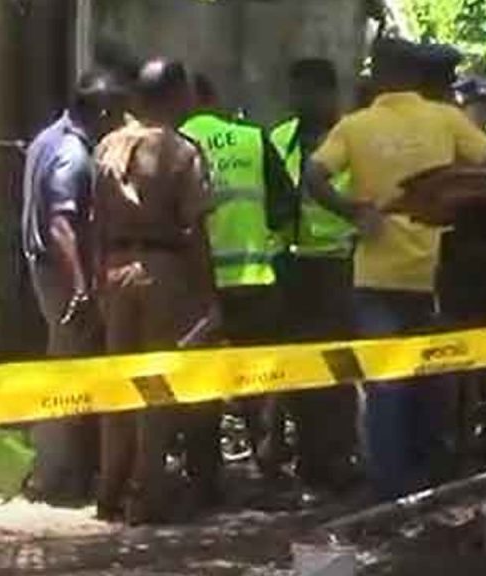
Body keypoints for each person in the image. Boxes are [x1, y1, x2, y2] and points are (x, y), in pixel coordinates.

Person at [302, 38, 486, 500]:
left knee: (386, 383)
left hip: (375, 274)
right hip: (436, 270)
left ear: (376, 75)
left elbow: (313, 175)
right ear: (416, 76)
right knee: (436, 376)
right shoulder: (446, 119)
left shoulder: (355, 126)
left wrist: (353, 211)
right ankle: (432, 476)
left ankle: (390, 485)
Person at [93, 58, 223, 524]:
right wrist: (208, 294)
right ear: (175, 97)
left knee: (118, 384)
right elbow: (194, 228)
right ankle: (145, 493)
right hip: (162, 270)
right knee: (155, 386)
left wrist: (98, 277)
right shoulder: (181, 151)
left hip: (114, 268)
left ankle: (109, 489)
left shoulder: (107, 146)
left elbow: (95, 220)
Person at [181, 75, 297, 483]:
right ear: (214, 98)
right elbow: (285, 209)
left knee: (199, 384)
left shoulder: (174, 143)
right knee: (260, 380)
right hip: (253, 278)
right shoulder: (252, 139)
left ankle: (203, 478)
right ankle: (268, 472)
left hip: (195, 289)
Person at [21, 68, 127, 505]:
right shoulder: (73, 153)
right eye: (115, 112)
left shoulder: (47, 138)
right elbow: (61, 225)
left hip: (47, 269)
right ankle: (56, 478)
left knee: (63, 366)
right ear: (101, 111)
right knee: (71, 374)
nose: (119, 122)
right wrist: (82, 289)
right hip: (63, 275)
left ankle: (56, 472)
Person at [270, 58, 358, 495]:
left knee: (339, 369)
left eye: (309, 93)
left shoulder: (352, 138)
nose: (300, 101)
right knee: (299, 368)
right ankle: (309, 457)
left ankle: (339, 458)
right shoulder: (280, 138)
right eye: (295, 92)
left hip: (339, 263)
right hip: (292, 266)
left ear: (328, 94)